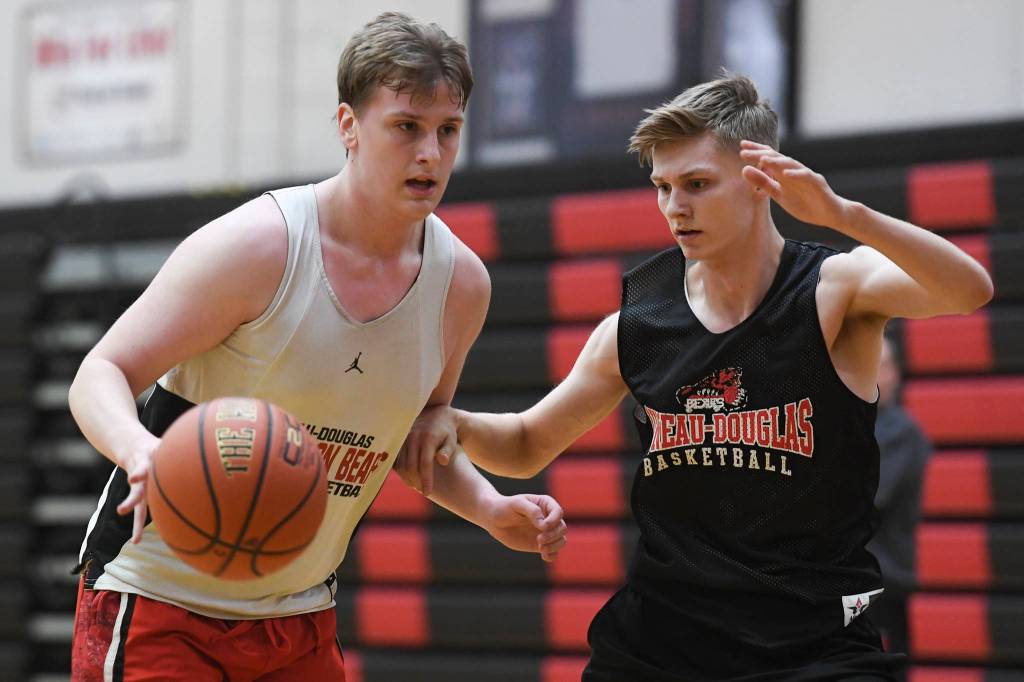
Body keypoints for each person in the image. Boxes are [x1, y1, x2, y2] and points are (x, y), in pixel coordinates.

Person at [398, 73, 993, 680]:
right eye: (662, 186)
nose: (674, 207)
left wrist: (844, 214)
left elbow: (970, 288)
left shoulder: (834, 290)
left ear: (760, 181)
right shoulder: (638, 324)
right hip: (661, 644)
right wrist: (458, 422)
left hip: (811, 647)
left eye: (697, 185)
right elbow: (526, 444)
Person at [67, 12, 567, 681]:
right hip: (161, 600)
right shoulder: (256, 248)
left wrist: (489, 509)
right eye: (406, 127)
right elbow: (100, 370)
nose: (430, 153)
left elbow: (419, 442)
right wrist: (141, 450)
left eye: (449, 131)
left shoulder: (461, 287)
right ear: (347, 127)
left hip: (300, 616)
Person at [867, 332, 931, 663]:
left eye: (883, 365)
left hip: (884, 583)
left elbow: (869, 497)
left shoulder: (900, 431)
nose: (876, 373)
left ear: (896, 373)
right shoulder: (857, 424)